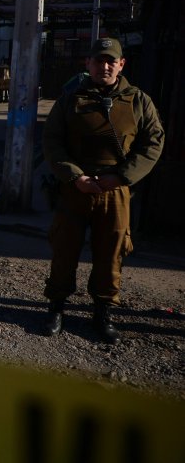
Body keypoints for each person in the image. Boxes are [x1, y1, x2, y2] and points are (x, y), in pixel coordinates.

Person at [41, 37, 164, 344]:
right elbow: (52, 140)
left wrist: (122, 177)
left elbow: (153, 142)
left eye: (111, 61)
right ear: (88, 64)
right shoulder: (71, 98)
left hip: (115, 190)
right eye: (98, 60)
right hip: (75, 188)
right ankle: (56, 305)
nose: (104, 66)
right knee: (65, 247)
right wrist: (74, 176)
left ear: (122, 65)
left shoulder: (137, 100)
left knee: (112, 252)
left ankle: (103, 310)